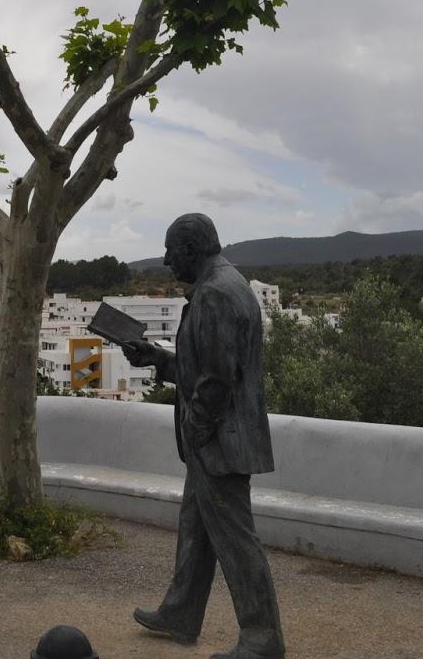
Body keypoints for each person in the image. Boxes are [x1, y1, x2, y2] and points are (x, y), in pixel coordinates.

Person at [122, 212, 284, 659]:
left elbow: (216, 379)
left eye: (171, 252)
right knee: (196, 529)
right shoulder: (227, 284)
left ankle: (262, 639)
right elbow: (203, 366)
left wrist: (194, 428)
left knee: (236, 541)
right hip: (215, 438)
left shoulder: (214, 294)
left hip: (218, 439)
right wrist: (157, 358)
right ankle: (180, 612)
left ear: (190, 251)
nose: (166, 260)